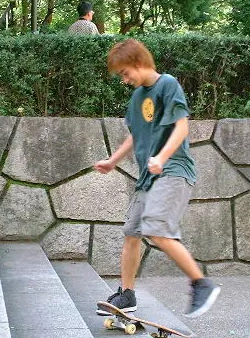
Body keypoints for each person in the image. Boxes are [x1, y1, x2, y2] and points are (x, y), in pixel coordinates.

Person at [94, 39, 220, 318]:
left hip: (173, 170)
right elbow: (136, 134)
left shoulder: (168, 85)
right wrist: (113, 161)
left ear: (139, 63)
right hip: (149, 176)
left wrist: (162, 157)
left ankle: (201, 283)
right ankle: (127, 295)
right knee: (132, 231)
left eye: (126, 73)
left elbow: (181, 127)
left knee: (156, 229)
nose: (124, 80)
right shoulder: (137, 97)